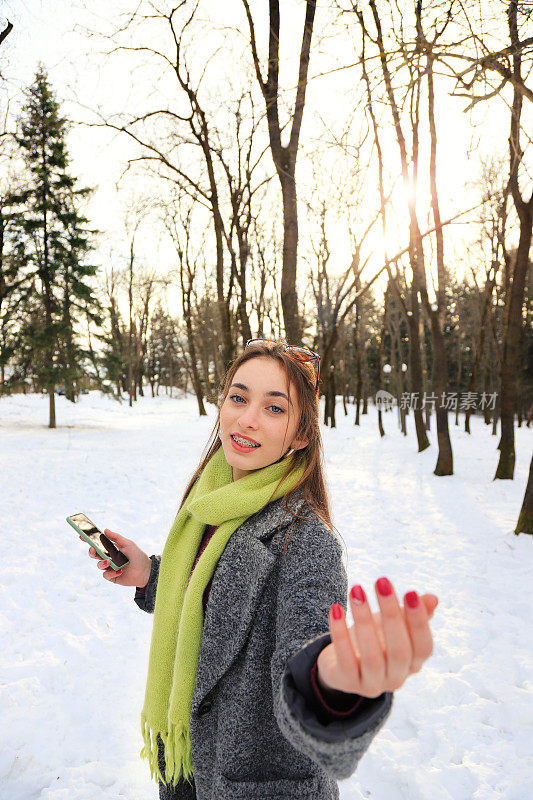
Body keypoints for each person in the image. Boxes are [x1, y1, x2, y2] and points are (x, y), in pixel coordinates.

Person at [83, 338, 438, 800]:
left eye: (274, 409)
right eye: (238, 397)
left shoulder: (307, 540)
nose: (246, 418)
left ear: (301, 435)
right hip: (190, 770)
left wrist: (334, 681)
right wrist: (150, 575)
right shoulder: (208, 505)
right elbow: (210, 601)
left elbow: (304, 648)